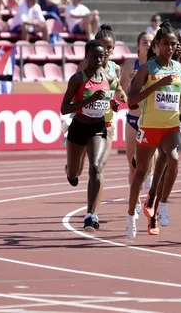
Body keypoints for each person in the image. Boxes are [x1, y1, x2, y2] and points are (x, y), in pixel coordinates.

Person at [125, 21, 181, 239]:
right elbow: (132, 100)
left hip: (171, 126)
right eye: (165, 44)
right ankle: (131, 217)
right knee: (139, 174)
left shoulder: (179, 67)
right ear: (156, 45)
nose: (170, 48)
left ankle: (162, 204)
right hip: (149, 127)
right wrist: (157, 85)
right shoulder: (148, 68)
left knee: (173, 160)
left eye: (173, 44)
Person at [61, 39, 113, 233]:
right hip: (78, 128)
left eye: (102, 56)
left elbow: (110, 97)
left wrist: (112, 103)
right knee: (75, 173)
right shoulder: (78, 79)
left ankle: (91, 216)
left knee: (96, 167)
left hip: (98, 128)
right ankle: (69, 170)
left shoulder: (108, 77)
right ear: (86, 57)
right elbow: (64, 108)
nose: (99, 59)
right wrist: (88, 100)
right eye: (94, 56)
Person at [73, 25, 127, 176]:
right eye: (103, 46)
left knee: (98, 166)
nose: (107, 50)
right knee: (76, 169)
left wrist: (120, 97)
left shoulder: (115, 68)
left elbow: (117, 89)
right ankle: (72, 169)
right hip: (84, 119)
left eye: (110, 47)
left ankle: (94, 199)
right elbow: (74, 90)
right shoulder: (84, 66)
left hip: (105, 121)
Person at [120, 31, 156, 205]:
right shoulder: (129, 65)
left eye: (150, 42)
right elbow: (120, 95)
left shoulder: (157, 66)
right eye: (144, 42)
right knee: (132, 166)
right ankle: (136, 200)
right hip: (133, 120)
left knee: (148, 163)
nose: (148, 45)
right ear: (138, 45)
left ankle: (149, 174)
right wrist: (129, 81)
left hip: (151, 120)